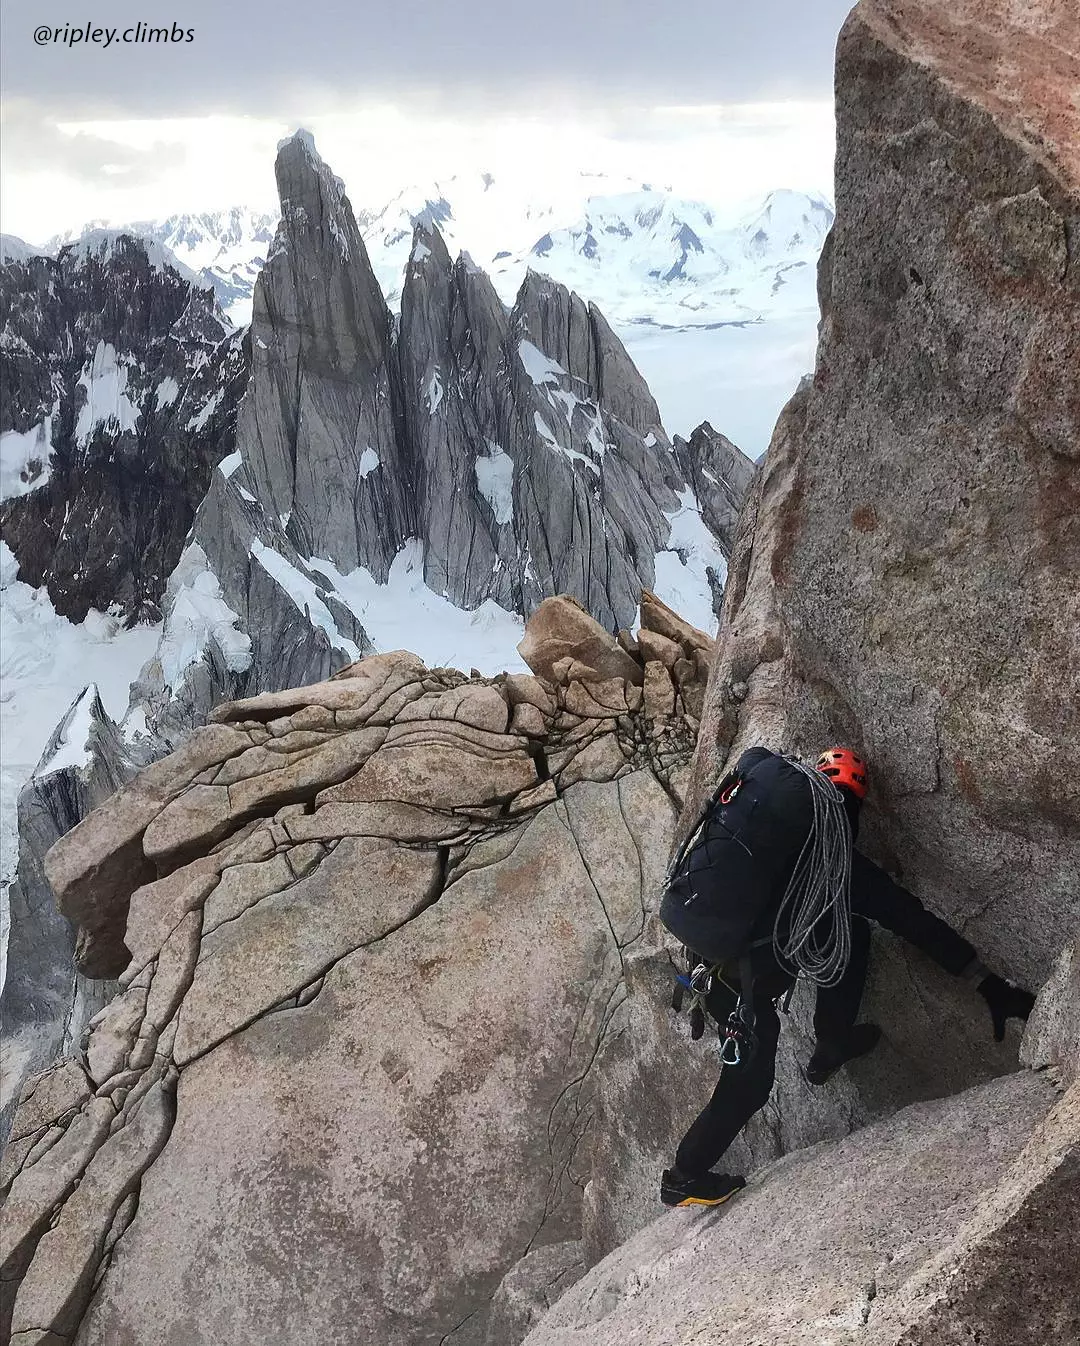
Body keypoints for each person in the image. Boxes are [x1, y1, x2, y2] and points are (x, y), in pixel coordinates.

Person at [660, 745, 1036, 1210]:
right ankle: (684, 1177)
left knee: (849, 931)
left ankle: (831, 1042)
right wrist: (989, 986)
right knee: (751, 1087)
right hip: (741, 990)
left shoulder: (764, 835)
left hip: (708, 960)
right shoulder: (835, 862)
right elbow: (912, 920)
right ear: (850, 805)